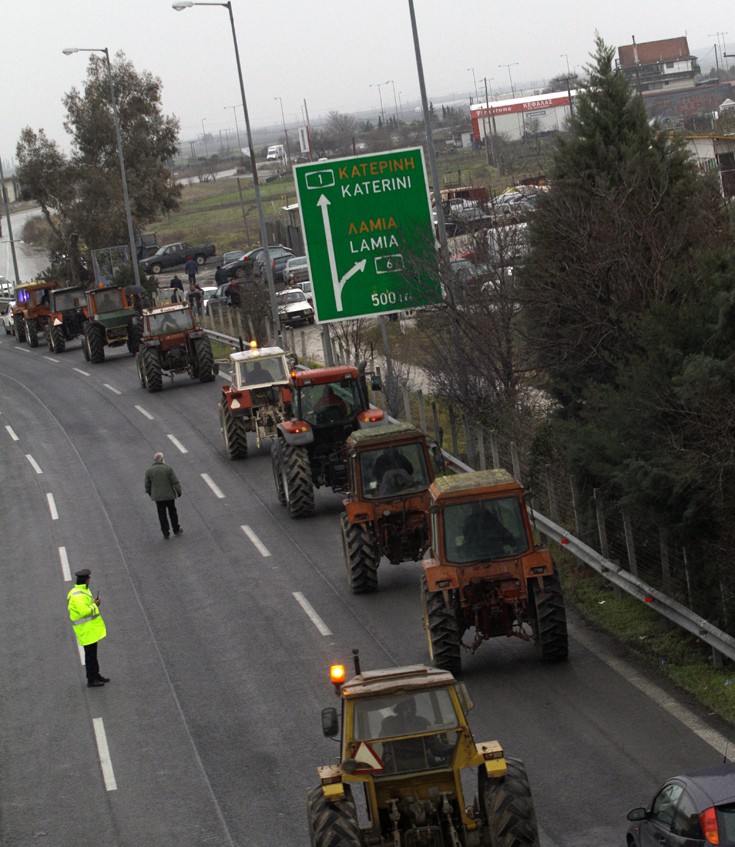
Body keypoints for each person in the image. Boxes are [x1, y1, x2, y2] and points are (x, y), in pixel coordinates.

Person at [67, 568, 108, 688]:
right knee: (90, 656)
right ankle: (91, 679)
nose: (90, 580)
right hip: (85, 630)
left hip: (89, 629)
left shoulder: (81, 590)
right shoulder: (78, 596)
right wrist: (95, 605)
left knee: (93, 654)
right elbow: (84, 612)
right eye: (89, 578)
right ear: (86, 580)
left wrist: (92, 603)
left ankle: (96, 674)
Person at [144, 452, 183, 540]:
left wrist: (151, 493)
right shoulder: (168, 469)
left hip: (158, 497)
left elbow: (147, 485)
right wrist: (178, 491)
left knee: (162, 514)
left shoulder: (149, 471)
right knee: (172, 512)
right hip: (169, 496)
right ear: (162, 459)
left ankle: (165, 532)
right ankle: (176, 529)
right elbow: (174, 481)